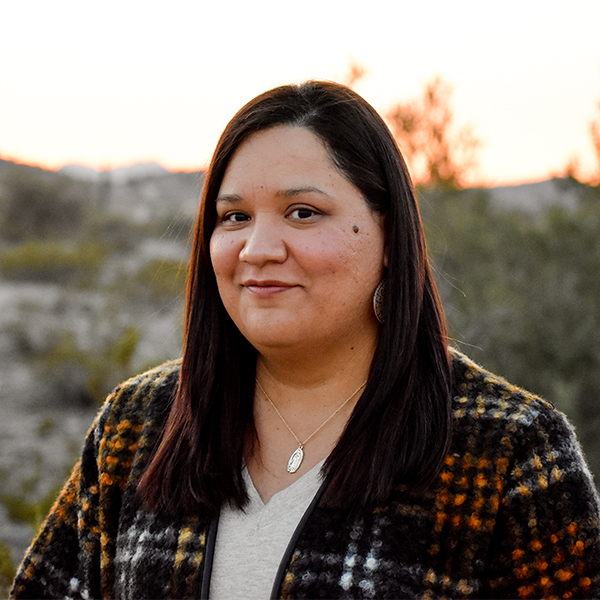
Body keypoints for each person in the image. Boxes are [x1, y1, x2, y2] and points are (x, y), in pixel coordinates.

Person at [10, 80, 600, 599]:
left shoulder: (509, 450)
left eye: (302, 212)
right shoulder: (137, 426)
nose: (258, 249)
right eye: (235, 217)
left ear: (389, 236)